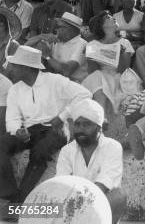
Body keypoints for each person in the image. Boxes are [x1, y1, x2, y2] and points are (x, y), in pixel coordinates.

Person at [0, 45, 90, 203]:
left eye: (14, 66)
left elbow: (84, 94)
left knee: (40, 151)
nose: (10, 69)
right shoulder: (15, 89)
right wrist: (17, 130)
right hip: (29, 130)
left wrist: (62, 116)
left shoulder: (54, 80)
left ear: (26, 68)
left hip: (56, 129)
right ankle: (10, 193)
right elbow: (12, 119)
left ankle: (19, 202)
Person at [57, 98, 126, 224]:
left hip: (97, 204)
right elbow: (61, 183)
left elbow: (105, 183)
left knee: (118, 196)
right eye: (77, 124)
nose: (81, 129)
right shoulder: (67, 150)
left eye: (87, 124)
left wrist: (83, 206)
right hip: (72, 207)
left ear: (100, 127)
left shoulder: (113, 147)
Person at [82, 12, 135, 116]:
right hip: (99, 78)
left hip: (120, 78)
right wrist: (91, 55)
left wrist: (120, 55)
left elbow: (124, 70)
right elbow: (92, 71)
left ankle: (101, 115)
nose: (113, 18)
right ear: (102, 25)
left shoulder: (124, 43)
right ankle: (101, 116)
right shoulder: (92, 45)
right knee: (97, 77)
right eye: (108, 17)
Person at [42, 12, 88, 83]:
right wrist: (41, 38)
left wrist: (47, 56)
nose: (56, 29)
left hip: (76, 85)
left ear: (71, 29)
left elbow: (67, 71)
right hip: (58, 83)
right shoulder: (57, 40)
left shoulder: (82, 44)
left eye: (59, 27)